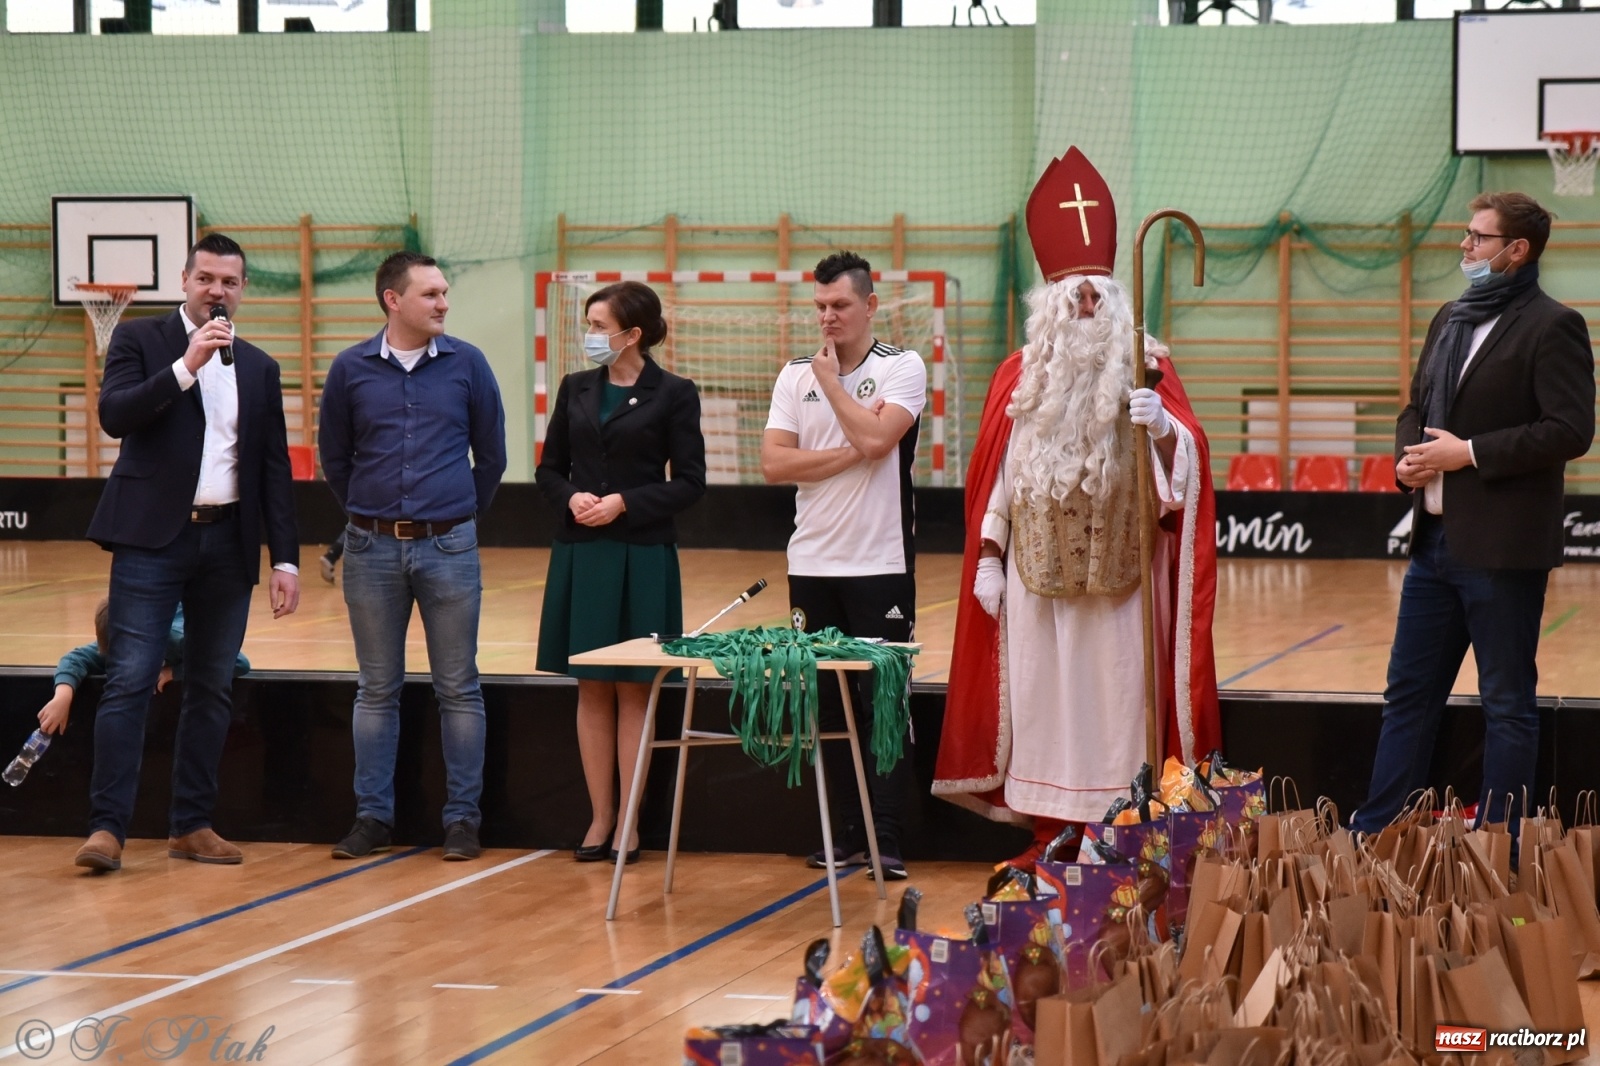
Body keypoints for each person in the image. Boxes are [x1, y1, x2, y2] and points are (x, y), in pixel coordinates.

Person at [932, 148, 1221, 868]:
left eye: (1097, 296)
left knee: (1116, 702)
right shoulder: (1020, 377)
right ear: (1052, 309)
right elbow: (1002, 471)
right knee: (1042, 704)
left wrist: (1163, 430)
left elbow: (1186, 469)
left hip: (1124, 584)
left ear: (1114, 300)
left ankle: (1118, 827)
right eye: (1074, 300)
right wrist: (990, 557)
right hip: (1036, 580)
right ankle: (1049, 831)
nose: (1086, 309)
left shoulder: (1149, 363)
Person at [1350, 192, 1594, 840]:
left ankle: (1499, 846)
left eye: (1479, 238)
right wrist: (1408, 459)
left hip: (1503, 552)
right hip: (1433, 545)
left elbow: (1570, 429)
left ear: (1518, 251)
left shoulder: (1553, 325)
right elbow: (1415, 403)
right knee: (1407, 696)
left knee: (1507, 706)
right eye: (1467, 235)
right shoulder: (1449, 317)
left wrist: (1470, 454)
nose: (1465, 247)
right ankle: (1375, 833)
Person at [77, 232, 300, 872]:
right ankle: (107, 830)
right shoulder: (141, 340)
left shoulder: (259, 366)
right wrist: (186, 366)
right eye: (206, 278)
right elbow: (115, 415)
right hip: (152, 539)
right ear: (184, 279)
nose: (217, 291)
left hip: (227, 543)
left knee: (211, 686)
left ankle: (192, 824)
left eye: (229, 282)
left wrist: (284, 559)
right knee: (128, 679)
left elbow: (272, 469)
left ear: (243, 289)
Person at [318, 251, 507, 862]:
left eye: (445, 293)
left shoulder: (468, 364)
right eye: (431, 294)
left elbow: (493, 456)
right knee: (376, 688)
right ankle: (372, 817)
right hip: (370, 548)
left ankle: (463, 821)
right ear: (392, 300)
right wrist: (368, 512)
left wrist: (454, 513)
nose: (443, 303)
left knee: (459, 686)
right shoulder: (349, 369)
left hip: (450, 545)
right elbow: (335, 459)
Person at [761, 250, 928, 881]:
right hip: (811, 563)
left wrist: (835, 390)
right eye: (820, 307)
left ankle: (885, 838)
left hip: (880, 564)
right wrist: (851, 449)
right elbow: (775, 465)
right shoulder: (791, 376)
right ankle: (843, 835)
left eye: (840, 306)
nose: (828, 317)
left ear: (870, 306)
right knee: (828, 707)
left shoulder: (901, 366)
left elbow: (881, 440)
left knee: (882, 702)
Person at [535, 281, 706, 864]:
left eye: (599, 325)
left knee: (634, 688)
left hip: (642, 552)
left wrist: (627, 502)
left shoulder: (675, 393)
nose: (589, 336)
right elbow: (549, 468)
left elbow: (690, 481)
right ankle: (599, 817)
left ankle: (630, 822)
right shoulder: (575, 387)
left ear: (632, 334)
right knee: (592, 686)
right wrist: (572, 497)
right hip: (583, 551)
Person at [38, 600, 251, 737]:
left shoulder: (179, 640)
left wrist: (175, 673)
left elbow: (238, 663)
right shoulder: (117, 641)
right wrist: (62, 697)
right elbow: (77, 658)